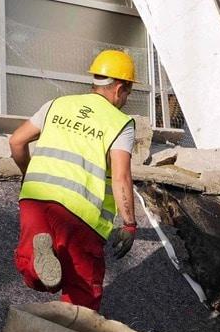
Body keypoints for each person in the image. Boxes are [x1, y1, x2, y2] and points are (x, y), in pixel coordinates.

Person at [8, 50, 140, 310]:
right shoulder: (120, 122)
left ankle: (39, 260)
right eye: (128, 93)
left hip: (35, 199)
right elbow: (121, 177)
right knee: (82, 291)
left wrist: (29, 175)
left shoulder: (57, 104)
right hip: (79, 213)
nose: (126, 100)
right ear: (119, 88)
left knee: (34, 270)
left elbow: (16, 141)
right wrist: (130, 224)